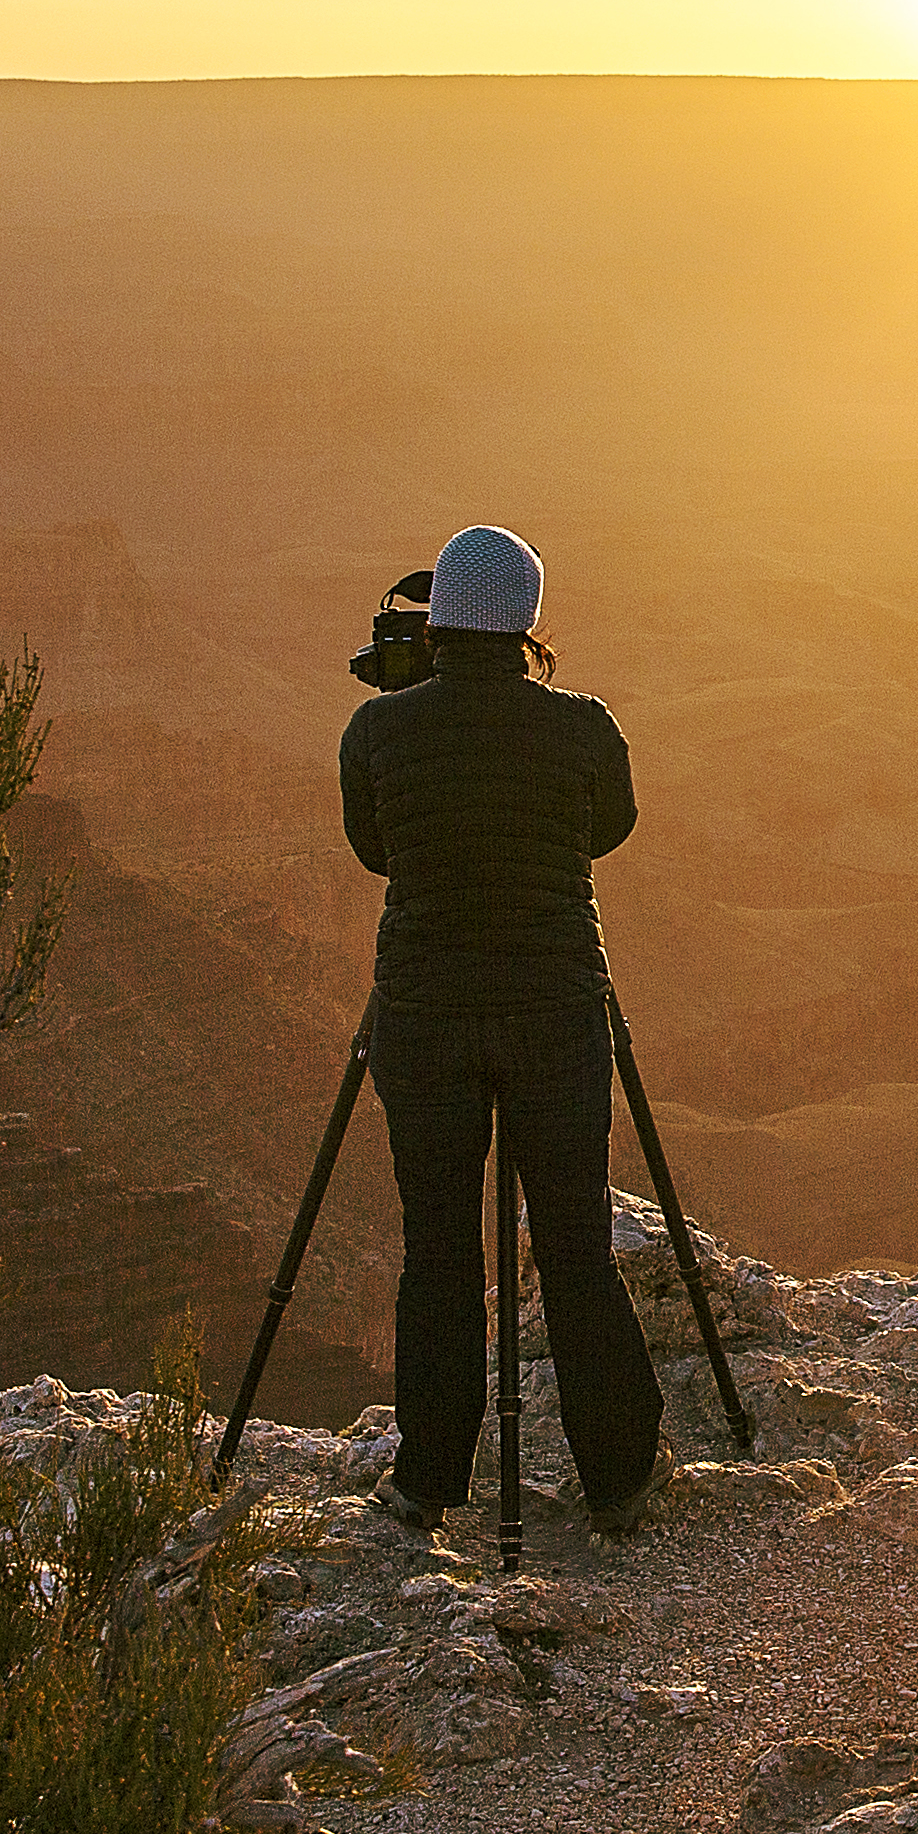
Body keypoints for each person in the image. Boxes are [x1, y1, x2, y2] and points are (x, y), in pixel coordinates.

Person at [337, 523, 666, 1538]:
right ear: (525, 620)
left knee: (436, 1249)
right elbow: (608, 826)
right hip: (555, 1013)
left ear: (436, 620)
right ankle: (616, 1477)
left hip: (425, 1015)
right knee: (572, 1245)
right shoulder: (583, 724)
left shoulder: (378, 730)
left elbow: (371, 848)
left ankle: (428, 1480)